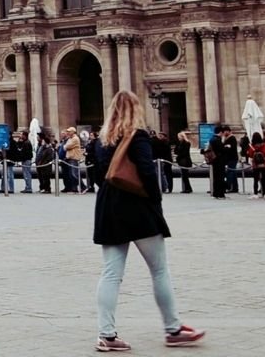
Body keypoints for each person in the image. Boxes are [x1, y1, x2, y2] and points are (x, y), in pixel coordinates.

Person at [92, 91, 204, 351]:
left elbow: (99, 175)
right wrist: (155, 201)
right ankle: (173, 328)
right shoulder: (138, 135)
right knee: (159, 270)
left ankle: (106, 334)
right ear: (136, 110)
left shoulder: (101, 140)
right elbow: (146, 170)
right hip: (137, 206)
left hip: (109, 206)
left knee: (111, 273)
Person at [247, 133, 265, 199]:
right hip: (264, 165)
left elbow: (250, 155)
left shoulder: (252, 146)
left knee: (256, 179)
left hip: (255, 165)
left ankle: (255, 193)